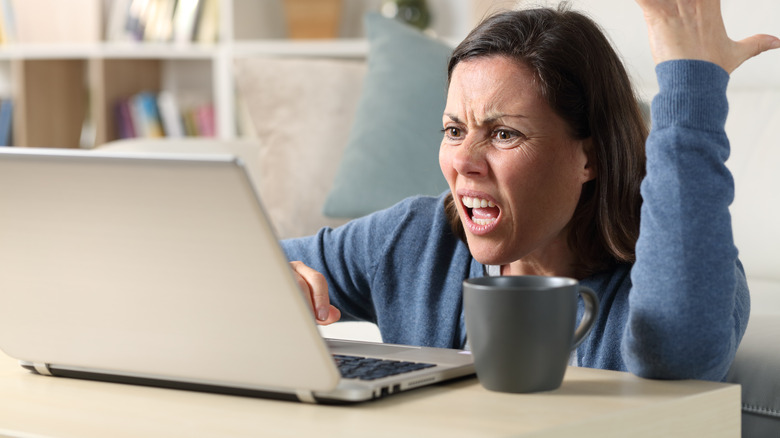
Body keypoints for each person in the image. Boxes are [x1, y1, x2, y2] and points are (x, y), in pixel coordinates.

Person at [283, 0, 779, 381]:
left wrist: (692, 87)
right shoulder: (416, 238)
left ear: (592, 156)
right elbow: (239, 261)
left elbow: (682, 356)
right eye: (454, 130)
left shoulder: (689, 271)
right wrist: (274, 279)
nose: (463, 162)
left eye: (504, 134)